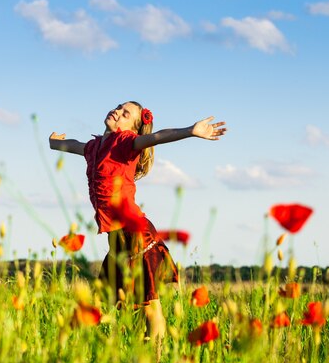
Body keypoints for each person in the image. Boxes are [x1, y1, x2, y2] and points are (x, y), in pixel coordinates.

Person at [49, 101, 226, 343]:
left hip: (136, 234)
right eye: (118, 107)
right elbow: (73, 145)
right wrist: (53, 143)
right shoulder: (94, 147)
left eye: (125, 114)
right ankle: (143, 353)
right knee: (129, 306)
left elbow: (157, 137)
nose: (117, 111)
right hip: (116, 238)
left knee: (150, 305)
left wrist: (190, 131)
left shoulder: (125, 143)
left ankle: (156, 357)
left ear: (132, 128)